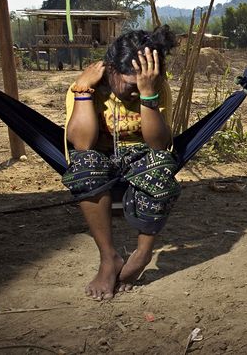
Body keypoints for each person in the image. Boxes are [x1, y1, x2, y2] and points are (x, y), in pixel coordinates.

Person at [62, 26, 179, 300]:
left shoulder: (155, 87)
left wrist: (148, 95)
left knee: (160, 163)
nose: (134, 93)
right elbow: (82, 143)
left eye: (142, 84)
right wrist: (83, 91)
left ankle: (142, 254)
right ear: (112, 70)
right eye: (129, 84)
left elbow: (158, 144)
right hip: (100, 156)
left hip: (141, 156)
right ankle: (108, 258)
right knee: (84, 165)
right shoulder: (85, 85)